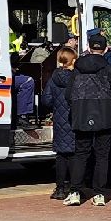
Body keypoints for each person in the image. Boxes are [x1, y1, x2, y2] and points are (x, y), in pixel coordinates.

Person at [67, 30, 111, 206]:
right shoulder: (110, 69)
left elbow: (68, 94)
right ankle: (99, 193)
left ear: (88, 48)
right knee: (102, 155)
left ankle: (75, 191)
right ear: (106, 48)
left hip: (81, 113)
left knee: (81, 154)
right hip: (105, 114)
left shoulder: (77, 68)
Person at [46, 46, 78, 202]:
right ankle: (74, 188)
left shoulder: (54, 78)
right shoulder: (76, 77)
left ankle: (60, 188)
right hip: (74, 118)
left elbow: (46, 99)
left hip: (59, 119)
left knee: (61, 155)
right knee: (74, 154)